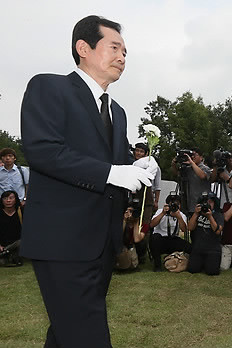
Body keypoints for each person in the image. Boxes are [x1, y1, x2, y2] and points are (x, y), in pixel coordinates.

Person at [20, 15, 156, 348]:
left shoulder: (118, 111)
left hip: (102, 243)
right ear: (83, 47)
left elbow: (115, 165)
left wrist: (136, 166)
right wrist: (114, 172)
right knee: (86, 333)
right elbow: (42, 151)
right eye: (114, 47)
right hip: (62, 241)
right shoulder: (49, 86)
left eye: (126, 51)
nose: (123, 57)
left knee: (66, 332)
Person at [149, 193, 191, 272]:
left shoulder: (181, 214)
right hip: (160, 240)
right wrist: (163, 213)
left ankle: (188, 263)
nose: (174, 206)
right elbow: (151, 225)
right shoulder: (160, 212)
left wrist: (178, 217)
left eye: (177, 204)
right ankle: (157, 265)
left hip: (173, 239)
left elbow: (184, 230)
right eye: (172, 204)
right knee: (155, 238)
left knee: (189, 247)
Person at [187, 192, 224, 275]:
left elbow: (218, 231)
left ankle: (206, 263)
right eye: (205, 202)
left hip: (213, 249)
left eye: (210, 202)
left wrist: (210, 217)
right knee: (192, 269)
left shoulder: (218, 215)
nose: (207, 204)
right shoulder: (196, 214)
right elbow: (189, 228)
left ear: (215, 203)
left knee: (212, 272)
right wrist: (196, 214)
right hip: (198, 248)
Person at [171, 147, 212, 215]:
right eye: (191, 155)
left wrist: (191, 163)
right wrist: (173, 164)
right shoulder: (188, 169)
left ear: (201, 157)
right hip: (190, 205)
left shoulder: (205, 168)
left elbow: (203, 176)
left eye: (195, 155)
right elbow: (176, 174)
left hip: (202, 204)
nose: (192, 157)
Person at [115, 206, 149, 271]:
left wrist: (136, 222)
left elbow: (136, 239)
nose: (129, 214)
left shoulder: (144, 225)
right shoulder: (119, 223)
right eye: (127, 211)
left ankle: (139, 260)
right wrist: (124, 220)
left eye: (131, 211)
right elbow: (117, 236)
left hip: (134, 246)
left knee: (142, 242)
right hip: (121, 245)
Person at [0, 190, 23, 266]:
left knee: (20, 242)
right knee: (2, 263)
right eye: (5, 198)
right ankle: (6, 254)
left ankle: (9, 253)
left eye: (11, 198)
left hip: (18, 243)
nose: (8, 200)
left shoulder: (21, 211)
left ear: (16, 199)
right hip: (3, 245)